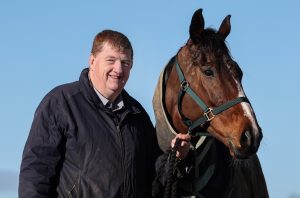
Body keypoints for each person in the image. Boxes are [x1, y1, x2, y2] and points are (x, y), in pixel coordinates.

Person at [19, 29, 190, 198]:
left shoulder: (137, 115)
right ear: (92, 61)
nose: (118, 69)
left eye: (125, 63)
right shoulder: (61, 103)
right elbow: (36, 171)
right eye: (111, 60)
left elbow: (154, 178)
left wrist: (174, 158)